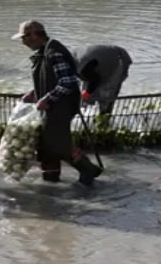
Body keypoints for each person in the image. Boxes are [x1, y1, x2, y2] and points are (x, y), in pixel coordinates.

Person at [14, 19, 102, 186]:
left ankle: (87, 169)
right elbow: (51, 80)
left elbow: (68, 81)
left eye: (24, 37)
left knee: (58, 144)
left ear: (33, 35)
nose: (22, 41)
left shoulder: (53, 52)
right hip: (54, 106)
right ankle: (51, 179)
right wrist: (34, 94)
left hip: (60, 107)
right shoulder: (45, 51)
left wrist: (47, 99)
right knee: (48, 145)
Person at [76, 44, 133, 121]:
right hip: (96, 61)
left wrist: (87, 93)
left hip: (116, 60)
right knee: (87, 94)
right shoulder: (72, 61)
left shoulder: (82, 67)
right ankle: (92, 118)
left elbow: (95, 80)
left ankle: (104, 121)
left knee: (107, 94)